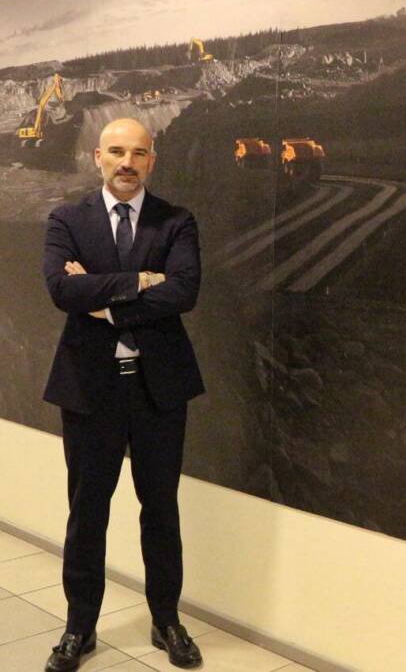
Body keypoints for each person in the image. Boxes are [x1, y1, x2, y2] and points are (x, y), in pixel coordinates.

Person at [41, 118, 205, 670]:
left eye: (138, 153)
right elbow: (61, 289)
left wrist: (104, 302)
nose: (127, 162)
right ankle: (79, 628)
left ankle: (167, 621)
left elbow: (184, 292)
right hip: (90, 389)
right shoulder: (67, 219)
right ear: (98, 157)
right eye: (116, 151)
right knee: (87, 512)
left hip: (160, 389)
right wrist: (141, 281)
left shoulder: (176, 221)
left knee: (161, 510)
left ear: (152, 160)